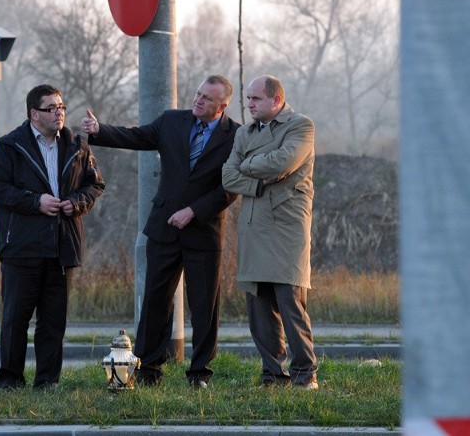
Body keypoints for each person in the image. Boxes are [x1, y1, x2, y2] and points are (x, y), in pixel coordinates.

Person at [81, 75, 240, 389]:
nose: (198, 100)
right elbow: (137, 137)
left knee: (204, 305)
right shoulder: (172, 121)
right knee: (156, 300)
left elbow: (231, 186)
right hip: (164, 226)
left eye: (207, 98)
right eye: (197, 93)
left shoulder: (236, 136)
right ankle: (148, 369)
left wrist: (194, 211)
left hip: (204, 232)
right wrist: (100, 131)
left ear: (222, 106)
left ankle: (199, 374)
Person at [0, 84, 105, 391]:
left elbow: (95, 185)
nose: (59, 113)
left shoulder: (78, 144)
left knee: (53, 321)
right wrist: (35, 200)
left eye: (62, 107)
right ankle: (10, 381)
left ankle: (48, 381)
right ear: (34, 114)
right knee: (16, 319)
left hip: (62, 246)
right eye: (52, 108)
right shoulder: (10, 146)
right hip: (22, 247)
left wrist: (76, 203)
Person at [221, 75, 319, 390]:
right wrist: (256, 180)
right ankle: (273, 375)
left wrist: (246, 167)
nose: (249, 104)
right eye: (248, 99)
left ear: (275, 100)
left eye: (255, 99)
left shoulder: (300, 126)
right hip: (252, 226)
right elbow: (226, 176)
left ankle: (305, 374)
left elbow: (283, 162)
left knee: (290, 302)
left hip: (286, 227)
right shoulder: (244, 133)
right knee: (259, 307)